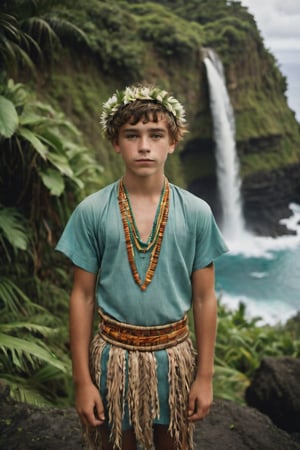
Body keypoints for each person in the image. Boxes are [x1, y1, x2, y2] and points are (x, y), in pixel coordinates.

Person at [56, 84, 228, 450]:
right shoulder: (92, 211)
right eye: (132, 135)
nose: (144, 146)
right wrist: (83, 382)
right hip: (111, 360)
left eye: (156, 135)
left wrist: (205, 376)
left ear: (173, 140)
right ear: (116, 142)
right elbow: (83, 296)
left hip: (175, 359)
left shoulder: (196, 212)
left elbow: (204, 298)